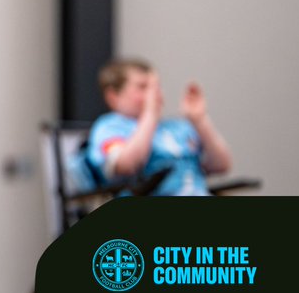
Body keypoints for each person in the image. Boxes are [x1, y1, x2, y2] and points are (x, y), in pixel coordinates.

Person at [86, 58, 233, 196]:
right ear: (113, 96)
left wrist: (200, 120)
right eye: (143, 87)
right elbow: (126, 165)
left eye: (156, 87)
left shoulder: (177, 128)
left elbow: (221, 165)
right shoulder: (110, 127)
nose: (154, 94)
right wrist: (150, 114)